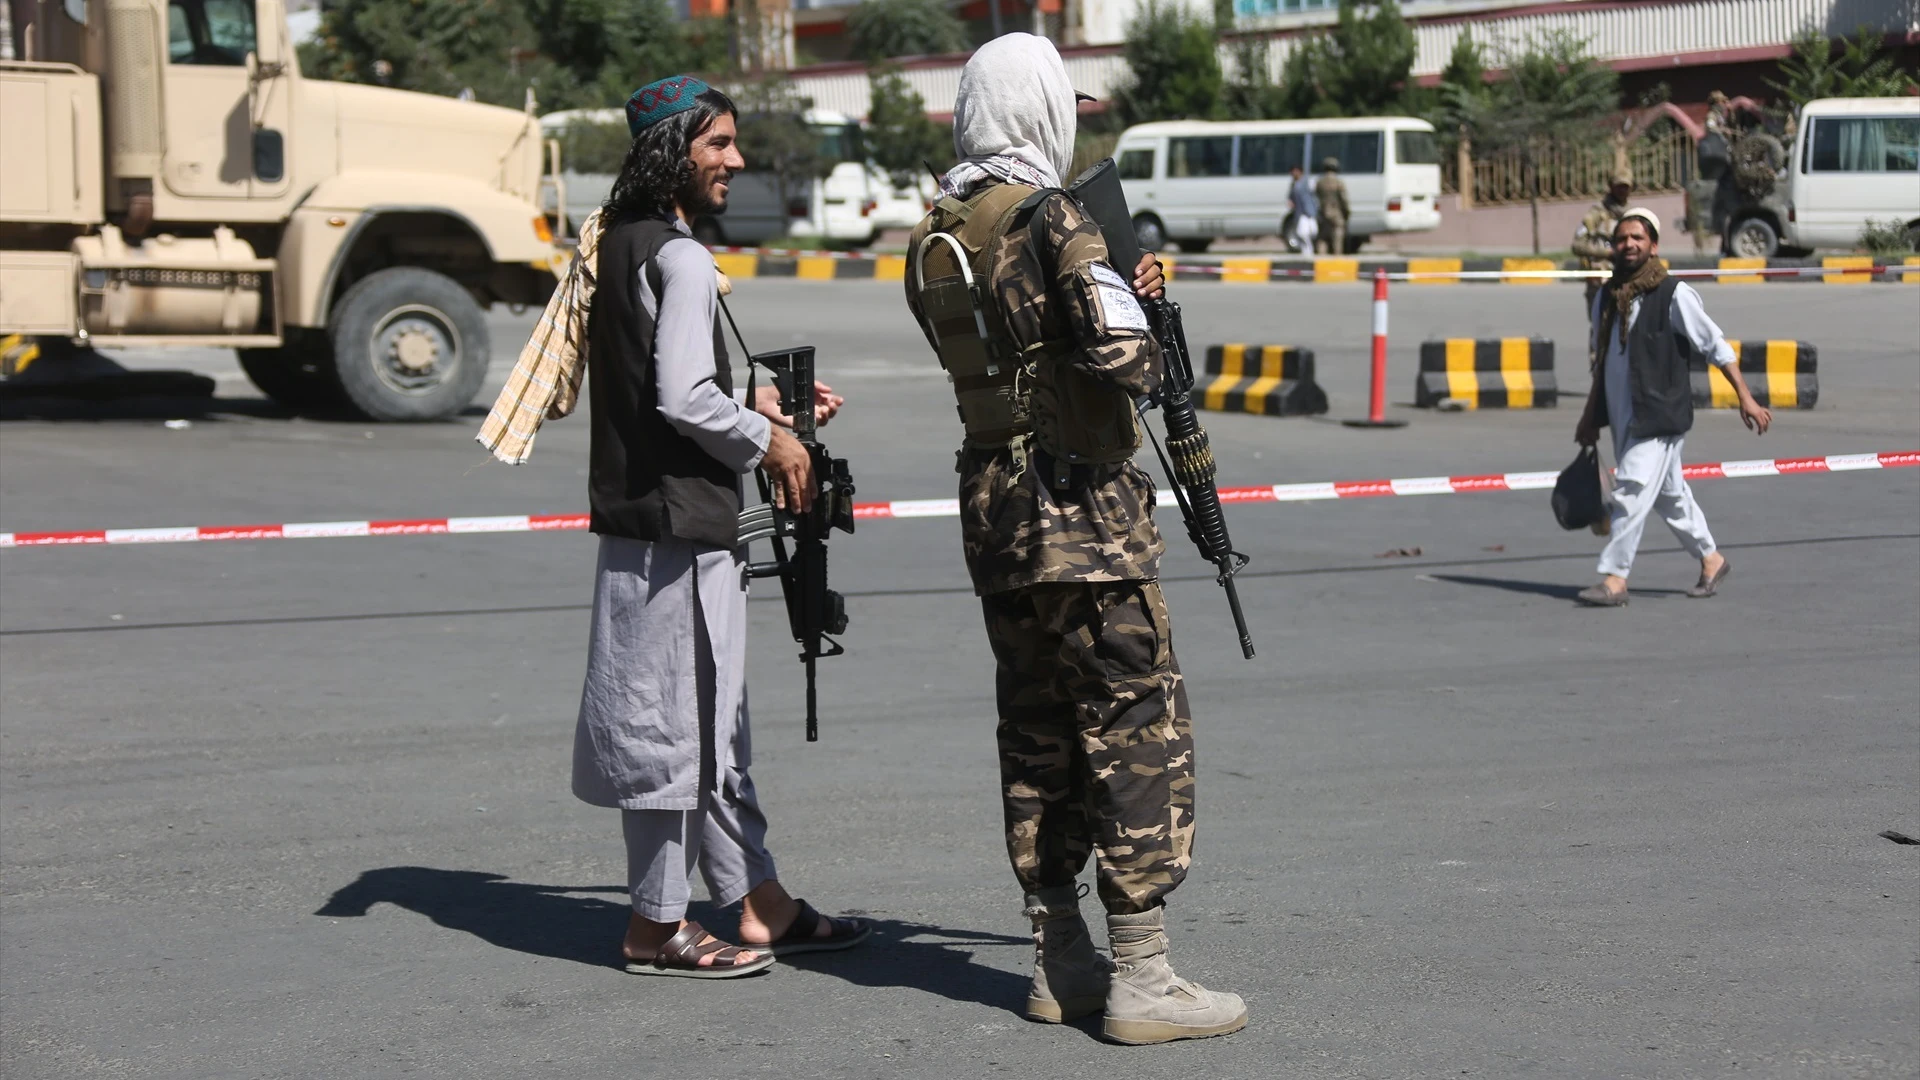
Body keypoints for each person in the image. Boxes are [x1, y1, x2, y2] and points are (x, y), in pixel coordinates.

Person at [903, 34, 1246, 1045]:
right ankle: (1142, 975)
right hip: (1086, 517)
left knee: (1038, 727)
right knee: (1133, 725)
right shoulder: (1054, 216)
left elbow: (1002, 351)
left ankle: (1061, 961)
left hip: (997, 514)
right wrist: (1136, 294)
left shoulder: (941, 231)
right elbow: (1128, 358)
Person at [574, 75, 868, 976]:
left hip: (655, 527)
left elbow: (662, 384)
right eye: (717, 146)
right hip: (675, 537)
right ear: (673, 150)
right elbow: (680, 396)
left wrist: (758, 399)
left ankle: (755, 898)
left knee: (710, 726)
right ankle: (655, 926)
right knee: (672, 733)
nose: (735, 162)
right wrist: (769, 438)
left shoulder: (625, 244)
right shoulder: (685, 258)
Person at [1573, 208, 1771, 608]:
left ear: (1653, 246)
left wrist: (1745, 396)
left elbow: (1715, 345)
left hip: (1659, 414)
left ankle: (1615, 579)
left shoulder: (1673, 294)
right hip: (1624, 417)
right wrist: (1590, 417)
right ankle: (1711, 559)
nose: (1628, 244)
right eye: (1621, 238)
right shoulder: (1608, 298)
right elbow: (1602, 364)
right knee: (1670, 496)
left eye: (1637, 238)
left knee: (1630, 490)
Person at [1572, 172, 1632, 317]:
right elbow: (1577, 245)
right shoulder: (1596, 214)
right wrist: (1608, 253)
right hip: (1600, 279)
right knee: (1600, 324)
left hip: (1625, 278)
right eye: (1619, 187)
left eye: (1625, 187)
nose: (1622, 191)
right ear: (1611, 187)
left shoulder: (1632, 214)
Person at [1313, 157, 1350, 254]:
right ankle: (1336, 259)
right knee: (1337, 237)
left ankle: (1321, 259)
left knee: (1322, 238)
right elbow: (1344, 199)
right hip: (1336, 212)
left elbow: (1316, 196)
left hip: (1323, 212)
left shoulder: (1319, 182)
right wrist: (1347, 212)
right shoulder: (1338, 182)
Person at [1286, 164, 1318, 253]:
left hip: (1309, 212)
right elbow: (1291, 197)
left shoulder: (1307, 182)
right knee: (1301, 233)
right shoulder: (1294, 184)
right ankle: (1307, 250)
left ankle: (1309, 249)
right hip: (1300, 213)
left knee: (1310, 232)